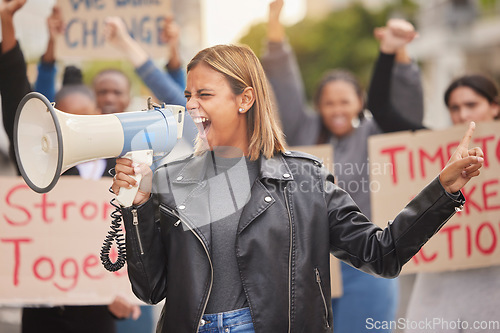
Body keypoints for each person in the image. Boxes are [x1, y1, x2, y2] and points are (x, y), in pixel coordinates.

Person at [111, 40, 483, 332]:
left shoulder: (306, 180)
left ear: (245, 99)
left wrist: (442, 190)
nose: (190, 105)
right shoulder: (171, 181)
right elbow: (151, 289)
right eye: (188, 95)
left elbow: (381, 254)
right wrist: (138, 207)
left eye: (204, 94)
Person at [260, 2, 423, 331]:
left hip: (365, 262)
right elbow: (286, 83)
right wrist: (274, 24)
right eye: (329, 103)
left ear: (360, 102)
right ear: (318, 106)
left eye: (345, 101)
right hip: (311, 263)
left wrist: (400, 50)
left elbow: (406, 107)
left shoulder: (376, 133)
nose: (337, 109)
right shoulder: (303, 129)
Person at [0, 1, 142, 331]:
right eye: (65, 119)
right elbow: (13, 91)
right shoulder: (39, 167)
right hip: (42, 313)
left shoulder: (126, 169)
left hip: (97, 314)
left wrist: (126, 291)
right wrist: (6, 24)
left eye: (84, 117)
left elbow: (139, 235)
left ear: (99, 117)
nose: (75, 127)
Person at [367, 21, 500, 333]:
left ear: (494, 107)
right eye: (454, 107)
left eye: (472, 105)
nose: (462, 115)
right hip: (439, 285)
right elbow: (381, 109)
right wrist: (389, 51)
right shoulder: (431, 148)